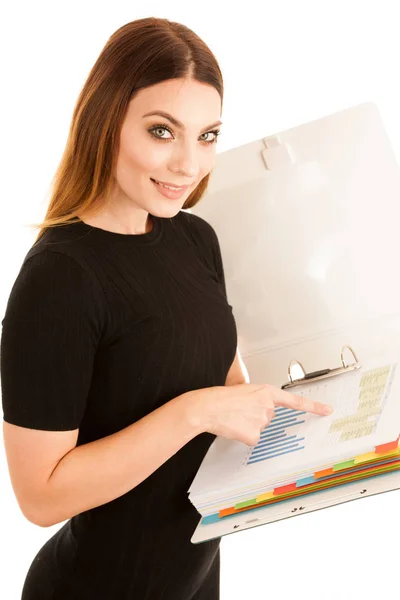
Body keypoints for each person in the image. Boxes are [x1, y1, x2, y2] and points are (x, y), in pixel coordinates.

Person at [1, 17, 333, 599]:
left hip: (197, 581)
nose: (188, 164)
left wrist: (330, 431)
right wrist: (192, 413)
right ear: (106, 123)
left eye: (206, 135)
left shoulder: (194, 238)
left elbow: (228, 390)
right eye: (161, 131)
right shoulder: (59, 278)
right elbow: (40, 497)